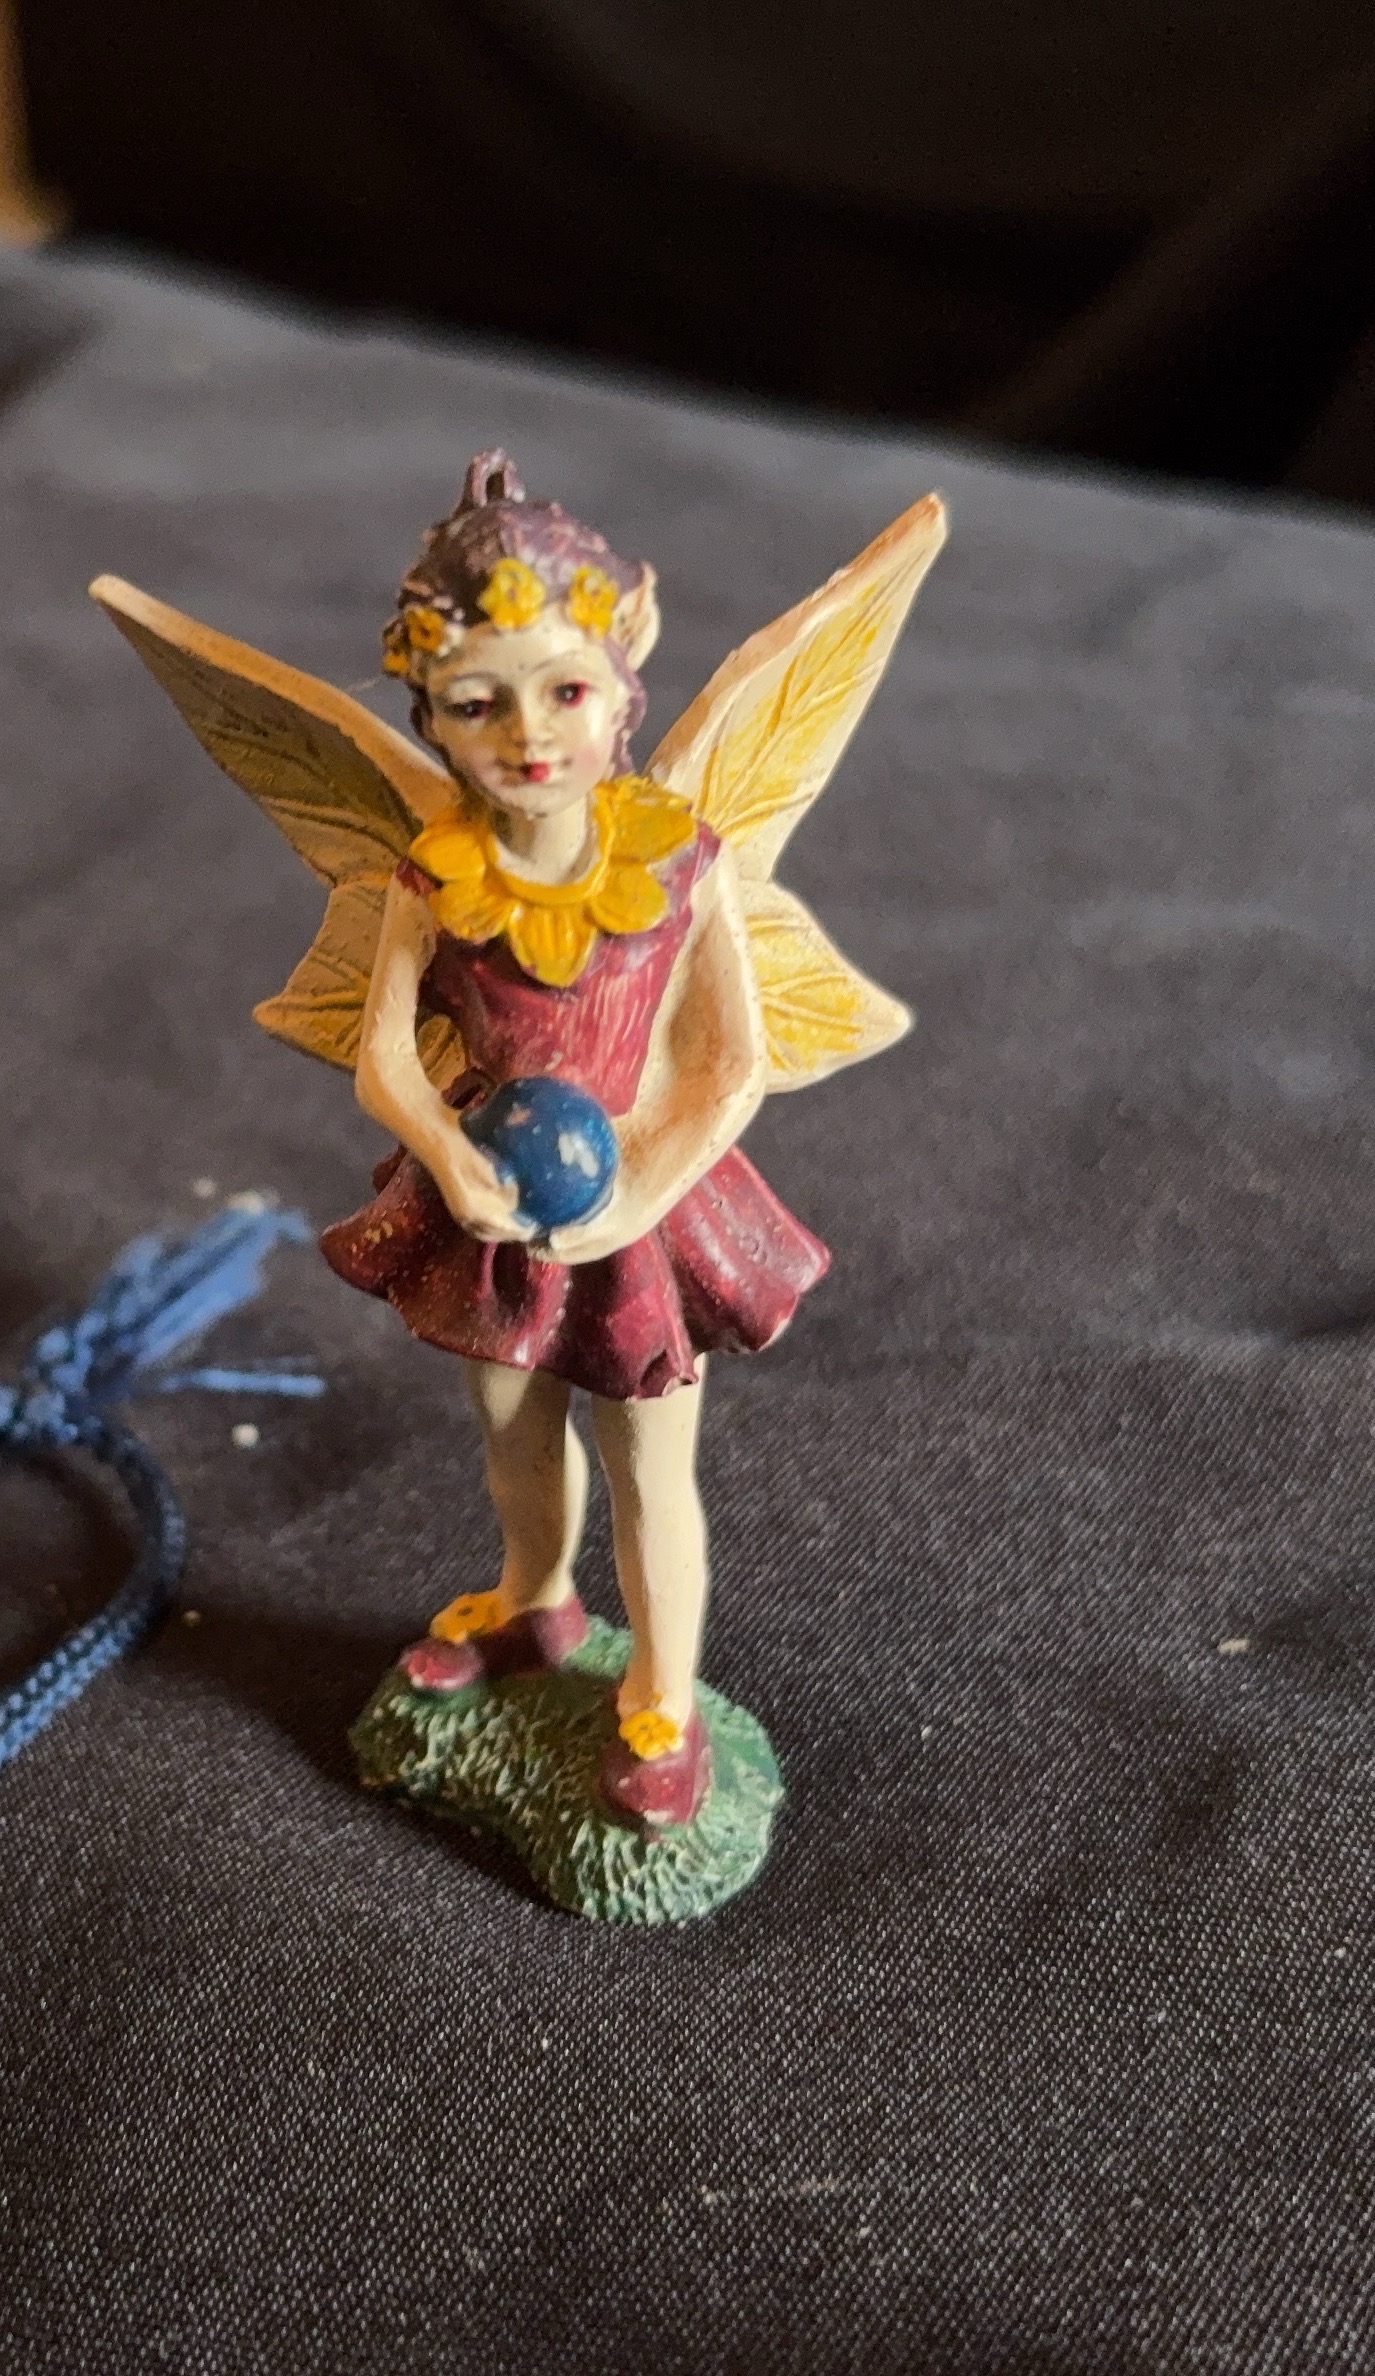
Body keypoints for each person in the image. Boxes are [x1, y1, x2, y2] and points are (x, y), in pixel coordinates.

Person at [320, 452, 828, 1825]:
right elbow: (381, 1058)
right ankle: (533, 1600)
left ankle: (662, 1693)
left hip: (645, 1216)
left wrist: (640, 1190)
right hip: (491, 1206)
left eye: (565, 691)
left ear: (623, 671)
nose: (528, 735)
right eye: (476, 702)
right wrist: (446, 1154)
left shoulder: (680, 862)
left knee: (651, 1466)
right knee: (512, 1433)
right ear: (428, 710)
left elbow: (732, 1061)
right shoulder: (433, 878)